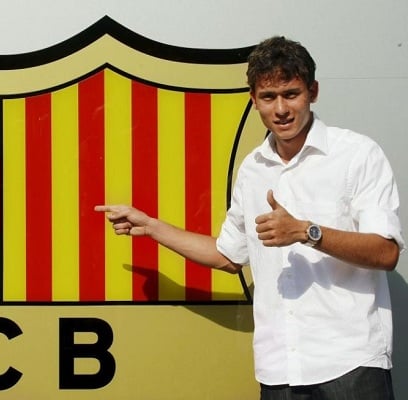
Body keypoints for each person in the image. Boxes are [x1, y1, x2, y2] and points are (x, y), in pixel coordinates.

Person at [96, 36, 404, 400]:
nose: (281, 109)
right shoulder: (253, 169)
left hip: (350, 363)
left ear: (313, 91)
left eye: (291, 94)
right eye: (269, 97)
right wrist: (152, 227)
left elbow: (386, 253)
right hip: (279, 369)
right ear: (253, 100)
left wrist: (307, 232)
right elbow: (228, 256)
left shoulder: (356, 155)